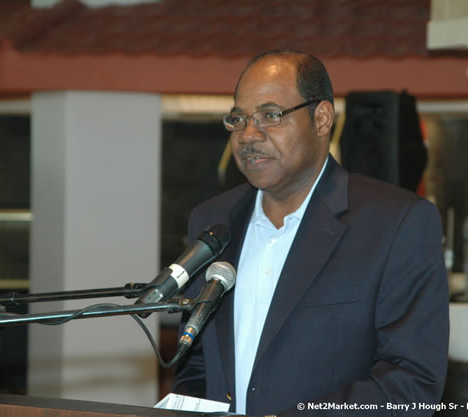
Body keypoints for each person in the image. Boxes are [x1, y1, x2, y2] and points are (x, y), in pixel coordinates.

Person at [172, 49, 449, 417]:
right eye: (238, 119)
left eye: (270, 116)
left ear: (321, 119)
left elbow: (411, 382)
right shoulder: (212, 221)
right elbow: (197, 365)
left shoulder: (396, 224)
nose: (248, 135)